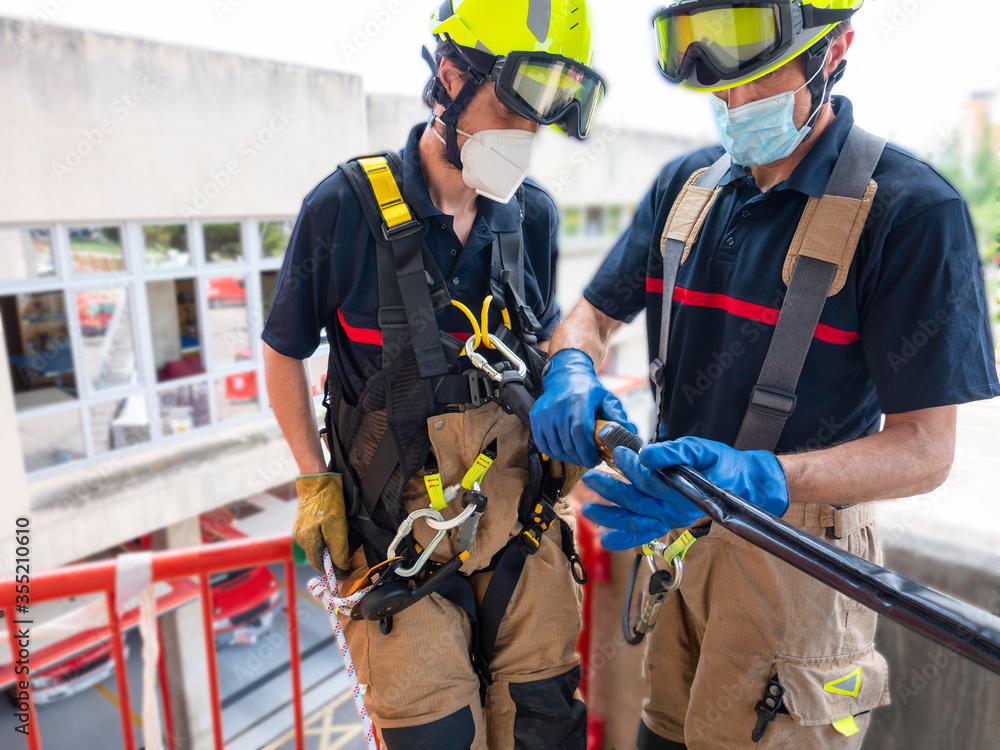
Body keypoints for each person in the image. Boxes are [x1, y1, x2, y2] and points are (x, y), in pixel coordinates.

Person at [529, 1, 1000, 748]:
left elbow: (926, 450)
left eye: (756, 81)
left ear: (835, 49)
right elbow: (589, 316)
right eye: (719, 87)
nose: (732, 101)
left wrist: (763, 478)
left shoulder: (910, 212)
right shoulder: (686, 189)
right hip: (680, 538)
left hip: (799, 562)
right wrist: (574, 368)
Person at [262, 1, 608, 747]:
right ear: (450, 76)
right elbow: (283, 351)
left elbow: (539, 340)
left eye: (540, 123)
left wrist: (570, 398)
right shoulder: (343, 209)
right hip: (394, 531)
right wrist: (311, 476)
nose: (525, 140)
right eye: (512, 112)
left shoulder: (530, 218)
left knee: (543, 726)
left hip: (521, 524)